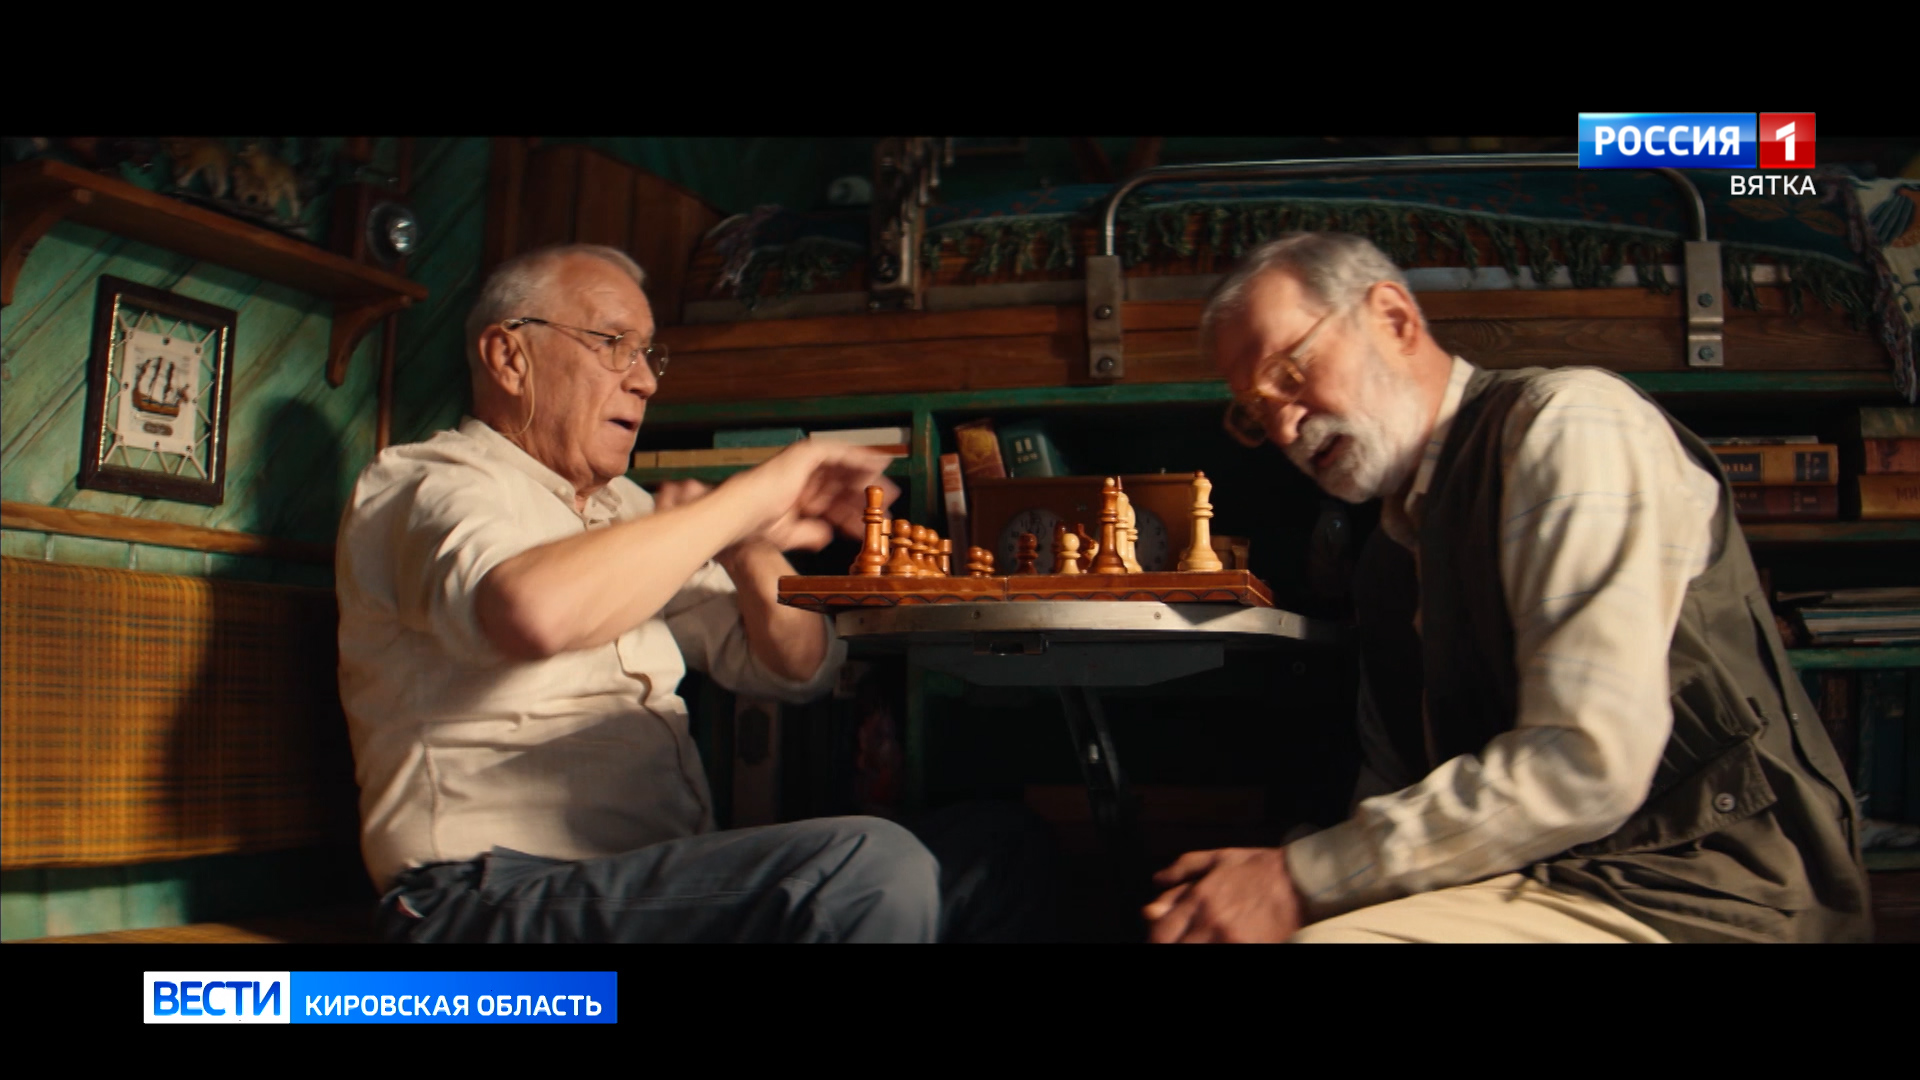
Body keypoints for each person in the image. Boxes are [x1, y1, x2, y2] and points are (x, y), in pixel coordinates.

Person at [1145, 232, 1871, 943]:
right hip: (1550, 883)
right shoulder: (1387, 563)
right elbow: (1392, 794)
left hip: (1710, 892)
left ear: (1393, 320)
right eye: (1255, 410)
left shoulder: (1568, 423)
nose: (1283, 426)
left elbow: (1586, 762)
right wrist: (1278, 880)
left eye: (1290, 373)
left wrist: (1298, 879)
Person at [335, 243, 1051, 943]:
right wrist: (759, 490)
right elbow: (534, 613)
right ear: (509, 357)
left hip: (652, 879)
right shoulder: (430, 482)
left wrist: (745, 543)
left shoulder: (627, 512)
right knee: (869, 869)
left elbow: (799, 668)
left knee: (1000, 845)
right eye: (613, 344)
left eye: (648, 354)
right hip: (477, 896)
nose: (645, 381)